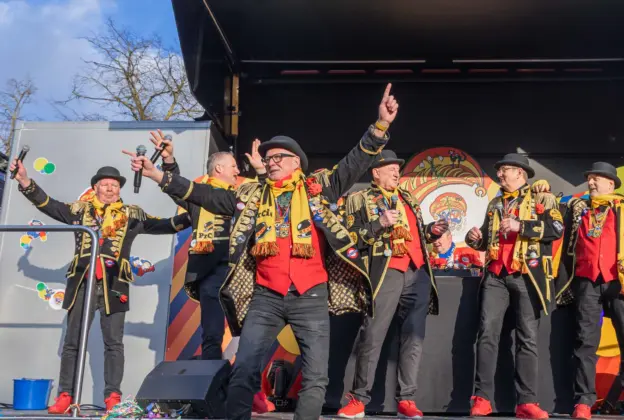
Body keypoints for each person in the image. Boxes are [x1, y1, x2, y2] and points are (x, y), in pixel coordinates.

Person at [126, 83, 399, 420]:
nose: (270, 162)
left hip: (311, 294)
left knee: (316, 377)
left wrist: (380, 125)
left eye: (277, 157)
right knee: (244, 371)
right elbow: (205, 195)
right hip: (265, 296)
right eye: (268, 159)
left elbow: (354, 162)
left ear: (296, 162)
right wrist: (158, 174)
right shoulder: (252, 195)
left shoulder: (317, 188)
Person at [8, 159, 191, 414]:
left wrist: (195, 211)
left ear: (119, 189)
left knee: (114, 343)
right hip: (82, 282)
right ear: (95, 187)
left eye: (114, 185)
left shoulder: (132, 214)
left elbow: (167, 225)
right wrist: (25, 181)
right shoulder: (79, 210)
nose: (110, 189)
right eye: (105, 184)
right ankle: (65, 395)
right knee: (72, 342)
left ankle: (113, 397)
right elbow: (48, 204)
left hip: (114, 285)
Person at [149, 131, 275, 413]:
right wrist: (168, 161)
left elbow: (269, 196)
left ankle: (250, 390)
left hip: (242, 275)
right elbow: (178, 187)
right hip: (211, 275)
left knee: (251, 336)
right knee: (212, 336)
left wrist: (261, 169)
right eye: (234, 166)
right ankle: (210, 395)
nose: (237, 171)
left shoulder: (243, 194)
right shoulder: (198, 196)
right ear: (218, 168)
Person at [337, 150, 448, 419]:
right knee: (372, 335)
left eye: (398, 168)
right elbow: (350, 238)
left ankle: (407, 399)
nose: (397, 172)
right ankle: (359, 399)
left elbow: (415, 235)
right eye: (390, 168)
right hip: (385, 272)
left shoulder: (408, 198)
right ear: (376, 172)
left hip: (417, 272)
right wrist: (379, 223)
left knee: (414, 338)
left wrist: (431, 231)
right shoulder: (359, 199)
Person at [553, 162, 624, 420]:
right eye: (590, 179)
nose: (591, 183)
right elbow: (554, 219)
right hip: (587, 281)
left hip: (620, 282)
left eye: (597, 179)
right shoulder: (577, 208)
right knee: (585, 342)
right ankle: (584, 400)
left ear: (611, 184)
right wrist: (543, 193)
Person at [464, 153, 562, 419]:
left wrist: (522, 226)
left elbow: (556, 228)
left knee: (527, 338)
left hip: (527, 275)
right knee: (487, 334)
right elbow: (486, 239)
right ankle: (482, 398)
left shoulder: (542, 198)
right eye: (499, 170)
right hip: (496, 275)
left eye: (504, 169)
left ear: (520, 173)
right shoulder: (496, 202)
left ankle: (526, 402)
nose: (499, 174)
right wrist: (474, 238)